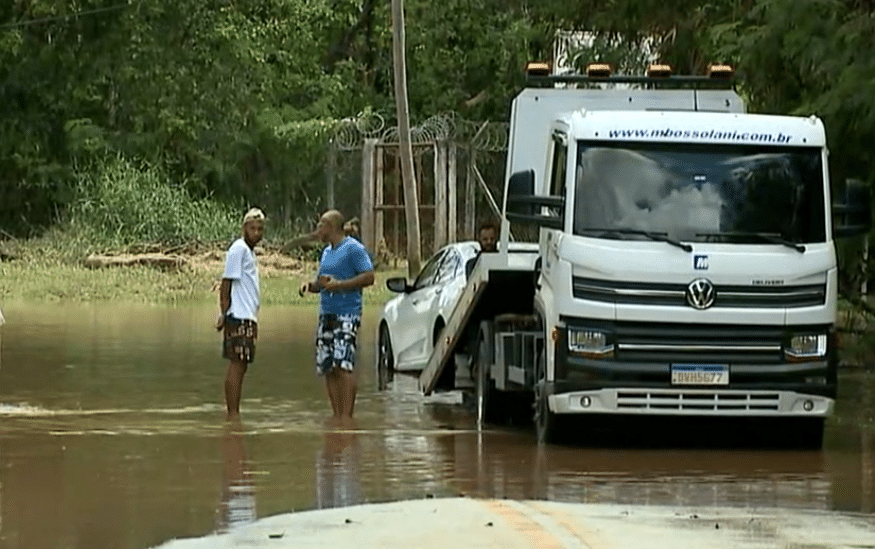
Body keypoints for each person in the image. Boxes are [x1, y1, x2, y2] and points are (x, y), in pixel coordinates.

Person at [299, 210, 374, 418]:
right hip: (327, 314)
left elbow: (369, 276)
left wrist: (340, 285)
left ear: (331, 227)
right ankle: (337, 416)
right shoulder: (326, 252)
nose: (317, 230)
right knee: (328, 366)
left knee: (343, 364)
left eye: (321, 225)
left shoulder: (353, 249)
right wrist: (310, 286)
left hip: (347, 314)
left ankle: (347, 418)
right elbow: (323, 283)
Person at [216, 208, 265, 419]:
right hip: (239, 316)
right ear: (244, 228)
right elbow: (225, 284)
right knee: (237, 365)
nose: (257, 233)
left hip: (248, 316)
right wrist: (224, 314)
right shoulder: (238, 249)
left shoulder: (249, 251)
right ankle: (233, 414)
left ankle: (234, 412)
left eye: (260, 229)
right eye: (253, 228)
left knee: (242, 365)